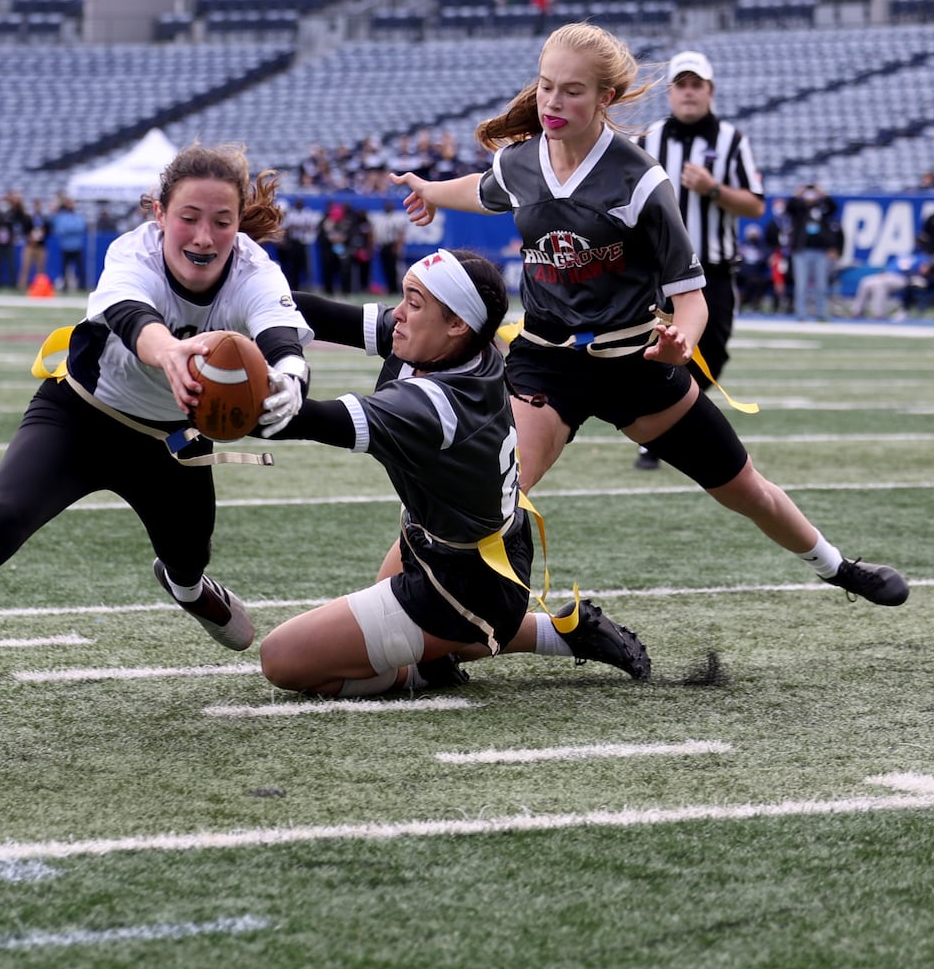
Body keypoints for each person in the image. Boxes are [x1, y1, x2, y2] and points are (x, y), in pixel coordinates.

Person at [390, 22, 909, 619]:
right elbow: (485, 190)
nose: (554, 103)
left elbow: (692, 295)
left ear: (606, 98)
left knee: (745, 490)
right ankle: (392, 620)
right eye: (546, 87)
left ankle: (837, 567)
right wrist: (429, 190)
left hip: (635, 360)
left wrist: (681, 340)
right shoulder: (521, 163)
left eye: (573, 91)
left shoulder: (640, 179)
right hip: (545, 363)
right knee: (475, 495)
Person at [0, 143, 317, 740]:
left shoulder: (253, 268)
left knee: (189, 558)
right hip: (80, 417)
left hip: (169, 442)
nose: (204, 235)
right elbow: (128, 313)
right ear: (159, 214)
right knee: (0, 520)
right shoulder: (130, 251)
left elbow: (281, 338)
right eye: (189, 217)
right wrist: (169, 351)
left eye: (222, 221)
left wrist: (290, 381)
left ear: (237, 222)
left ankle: (186, 587)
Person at [259, 250, 650, 697]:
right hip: (457, 541)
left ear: (457, 323)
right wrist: (232, 302)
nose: (398, 314)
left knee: (283, 659)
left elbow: (295, 419)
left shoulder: (439, 405)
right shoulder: (456, 342)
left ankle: (427, 671)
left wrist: (208, 396)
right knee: (380, 627)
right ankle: (562, 630)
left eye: (414, 302)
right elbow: (314, 313)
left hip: (467, 581)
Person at [632, 49, 766, 470]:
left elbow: (755, 205)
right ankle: (654, 435)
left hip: (715, 268)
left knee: (715, 353)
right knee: (658, 350)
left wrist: (712, 190)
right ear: (670, 92)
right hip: (661, 271)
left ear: (709, 91)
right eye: (681, 85)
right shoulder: (646, 140)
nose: (688, 93)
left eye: (697, 85)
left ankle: (667, 421)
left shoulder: (731, 141)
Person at [785, 183, 843, 322]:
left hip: (820, 251)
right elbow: (789, 207)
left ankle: (821, 314)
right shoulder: (799, 209)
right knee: (801, 285)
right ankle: (801, 314)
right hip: (801, 251)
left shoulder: (822, 209)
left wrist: (823, 193)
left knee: (821, 285)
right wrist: (798, 193)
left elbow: (834, 207)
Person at [0, 192, 29, 290]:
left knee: (11, 264)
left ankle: (12, 284)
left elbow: (19, 226)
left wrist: (16, 236)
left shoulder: (12, 215)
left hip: (9, 244)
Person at [369, 198, 410, 295]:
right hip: (383, 245)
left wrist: (398, 246)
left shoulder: (397, 218)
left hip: (392, 245)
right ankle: (390, 288)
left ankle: (396, 289)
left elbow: (400, 233)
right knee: (385, 268)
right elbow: (375, 232)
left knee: (394, 268)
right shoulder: (380, 218)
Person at [50, 195, 88, 292]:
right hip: (66, 246)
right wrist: (72, 229)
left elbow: (81, 228)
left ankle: (82, 286)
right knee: (64, 268)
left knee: (80, 268)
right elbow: (61, 229)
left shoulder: (78, 217)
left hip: (76, 246)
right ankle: (65, 286)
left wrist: (70, 230)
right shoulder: (62, 217)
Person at [17, 198, 52, 290]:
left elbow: (48, 231)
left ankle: (40, 287)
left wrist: (43, 233)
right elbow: (24, 230)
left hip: (41, 246)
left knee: (41, 269)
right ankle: (22, 286)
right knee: (25, 267)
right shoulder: (29, 218)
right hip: (30, 246)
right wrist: (30, 237)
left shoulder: (44, 219)